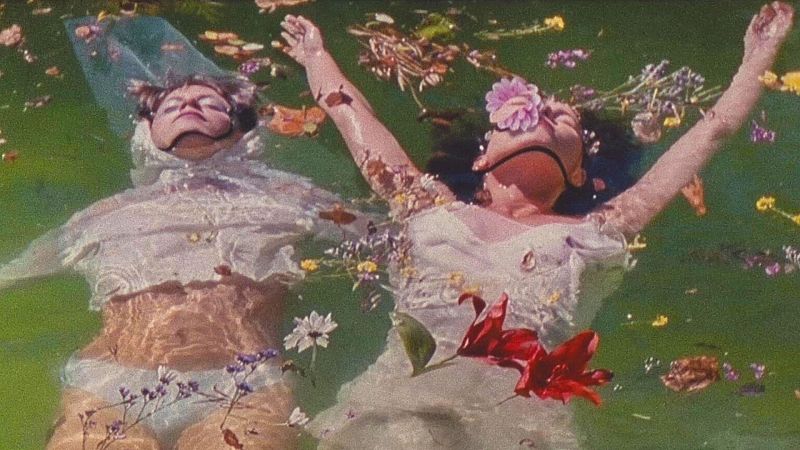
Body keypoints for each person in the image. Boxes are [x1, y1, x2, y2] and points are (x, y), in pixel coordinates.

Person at [279, 2, 794, 449]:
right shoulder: (426, 205)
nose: (543, 111)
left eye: (563, 118)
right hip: (399, 403)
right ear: (482, 159)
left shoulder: (599, 229)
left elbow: (707, 138)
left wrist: (757, 60)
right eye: (525, 112)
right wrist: (316, 56)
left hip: (519, 419)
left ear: (578, 172)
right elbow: (355, 122)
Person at [0, 18, 361, 450]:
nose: (188, 105)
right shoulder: (105, 213)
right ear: (147, 132)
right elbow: (15, 272)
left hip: (244, 385)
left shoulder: (291, 196)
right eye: (171, 107)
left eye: (208, 103)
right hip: (109, 385)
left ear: (241, 126)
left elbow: (394, 237)